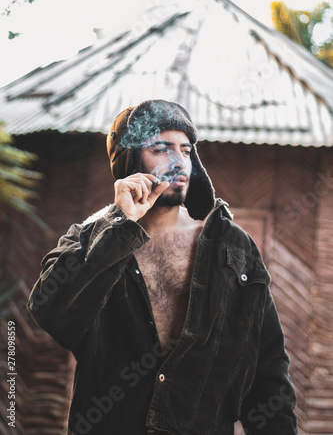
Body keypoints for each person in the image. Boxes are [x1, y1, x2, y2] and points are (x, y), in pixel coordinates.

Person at [28, 99, 298, 435]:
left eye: (185, 150)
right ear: (130, 159)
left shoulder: (233, 247)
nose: (178, 162)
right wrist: (120, 225)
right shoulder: (88, 240)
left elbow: (269, 374)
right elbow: (51, 314)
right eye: (161, 148)